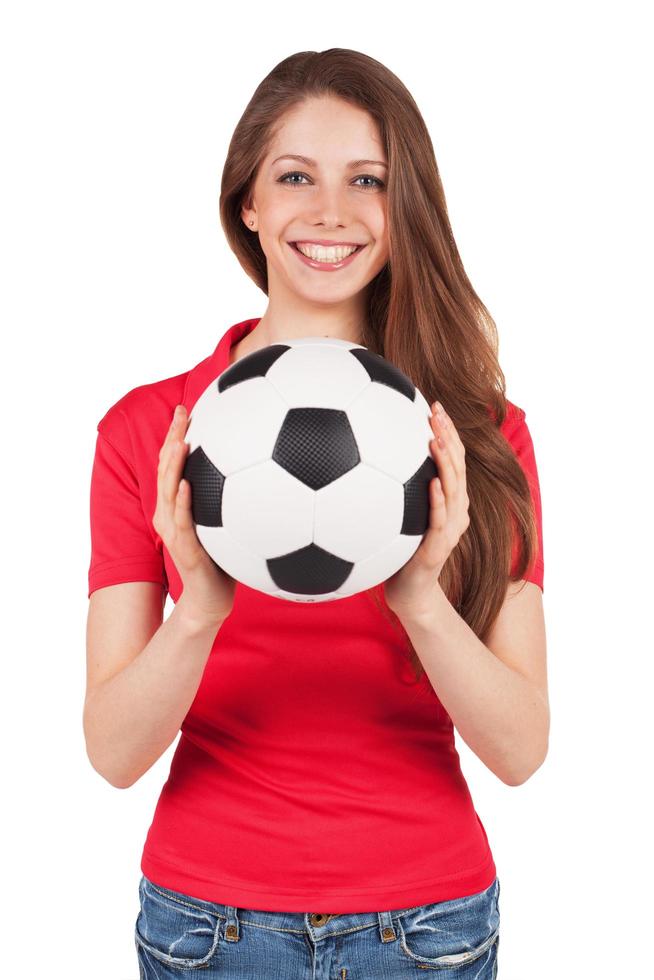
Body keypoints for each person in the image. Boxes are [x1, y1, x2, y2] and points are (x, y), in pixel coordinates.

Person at [84, 48, 547, 980]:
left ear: (402, 206)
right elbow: (113, 753)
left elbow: (521, 749)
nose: (330, 212)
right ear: (247, 204)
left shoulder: (476, 435)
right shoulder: (151, 430)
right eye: (295, 176)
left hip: (428, 929)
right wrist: (203, 609)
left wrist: (420, 598)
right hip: (206, 925)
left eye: (367, 180)